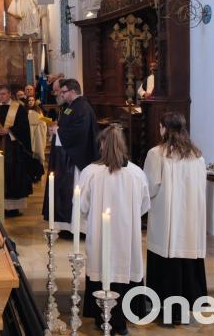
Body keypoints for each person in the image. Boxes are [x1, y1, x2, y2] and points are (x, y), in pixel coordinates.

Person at [80, 124, 150, 335]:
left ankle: (102, 319)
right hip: (127, 237)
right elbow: (144, 205)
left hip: (101, 235)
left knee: (102, 269)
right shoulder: (136, 173)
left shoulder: (90, 172)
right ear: (122, 145)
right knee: (125, 270)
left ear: (102, 144)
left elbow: (81, 206)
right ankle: (123, 321)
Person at [143, 112, 208, 324]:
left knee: (167, 260)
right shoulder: (197, 156)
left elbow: (149, 187)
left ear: (164, 128)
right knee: (186, 260)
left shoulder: (156, 154)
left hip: (167, 222)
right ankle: (186, 305)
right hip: (190, 222)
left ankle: (166, 310)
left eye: (160, 126)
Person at [43, 78, 99, 235]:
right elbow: (67, 125)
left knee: (75, 191)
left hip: (75, 159)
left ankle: (77, 228)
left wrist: (58, 132)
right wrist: (57, 128)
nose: (61, 94)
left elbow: (79, 132)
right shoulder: (71, 107)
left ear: (73, 91)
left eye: (63, 92)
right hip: (66, 156)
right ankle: (66, 225)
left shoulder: (82, 107)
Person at [0, 86, 35, 217]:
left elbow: (23, 127)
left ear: (10, 94)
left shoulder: (18, 108)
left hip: (13, 148)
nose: (1, 97)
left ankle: (13, 207)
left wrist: (10, 131)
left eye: (4, 94)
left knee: (13, 173)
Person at [27, 96, 48, 164]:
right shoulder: (24, 111)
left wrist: (43, 123)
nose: (30, 101)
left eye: (32, 100)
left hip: (37, 133)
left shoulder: (38, 110)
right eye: (29, 100)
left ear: (34, 101)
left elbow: (43, 122)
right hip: (28, 133)